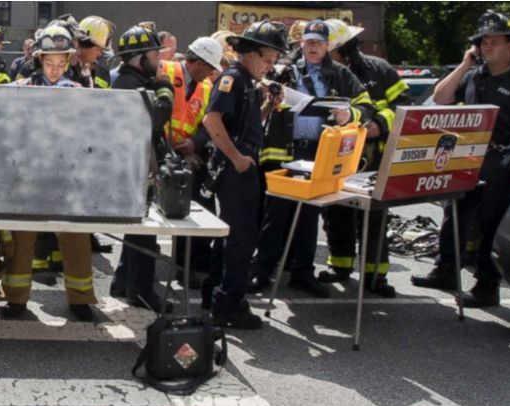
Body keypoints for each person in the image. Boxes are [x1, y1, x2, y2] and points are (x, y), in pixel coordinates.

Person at [411, 10, 510, 307]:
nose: (487, 46)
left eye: (494, 41)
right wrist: (466, 62)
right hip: (466, 159)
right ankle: (446, 269)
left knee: (490, 225)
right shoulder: (473, 75)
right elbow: (440, 98)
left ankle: (486, 286)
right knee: (454, 216)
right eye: (483, 42)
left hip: (503, 161)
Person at [249, 19, 375, 298]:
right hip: (284, 151)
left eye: (319, 42)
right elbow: (259, 87)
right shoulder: (286, 69)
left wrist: (350, 115)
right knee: (275, 213)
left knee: (309, 215)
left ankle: (302, 273)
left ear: (328, 46)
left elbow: (366, 106)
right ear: (301, 44)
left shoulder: (341, 74)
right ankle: (262, 270)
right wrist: (270, 90)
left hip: (320, 152)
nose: (313, 47)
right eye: (309, 42)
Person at [0, 26, 97, 322]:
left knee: (75, 236)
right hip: (28, 174)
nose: (54, 70)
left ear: (68, 63)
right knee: (21, 239)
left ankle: (80, 300)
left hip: (67, 176)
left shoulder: (78, 93)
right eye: (49, 63)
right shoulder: (21, 89)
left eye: (60, 64)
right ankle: (16, 299)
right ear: (39, 60)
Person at [311, 19, 412, 298]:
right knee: (335, 211)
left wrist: (380, 123)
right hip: (337, 154)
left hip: (373, 155)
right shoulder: (323, 72)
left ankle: (375, 275)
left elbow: (404, 104)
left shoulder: (378, 70)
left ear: (344, 49)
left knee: (375, 216)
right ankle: (340, 265)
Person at [202, 21, 288, 329]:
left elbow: (243, 123)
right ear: (249, 52)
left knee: (235, 235)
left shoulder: (248, 82)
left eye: (274, 60)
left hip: (243, 168)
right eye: (267, 58)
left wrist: (268, 106)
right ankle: (228, 303)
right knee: (242, 237)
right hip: (235, 171)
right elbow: (212, 121)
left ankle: (219, 294)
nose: (271, 65)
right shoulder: (233, 79)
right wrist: (237, 158)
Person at [108, 24, 175, 312]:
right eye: (154, 54)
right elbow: (156, 118)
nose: (158, 60)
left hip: (133, 165)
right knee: (145, 231)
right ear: (139, 57)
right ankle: (142, 291)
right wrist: (165, 88)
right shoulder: (131, 85)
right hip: (135, 168)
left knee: (137, 229)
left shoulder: (130, 80)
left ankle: (123, 280)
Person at [160, 37, 222, 289]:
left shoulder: (206, 86)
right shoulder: (165, 71)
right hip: (160, 152)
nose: (211, 72)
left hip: (188, 158)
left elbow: (209, 123)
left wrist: (194, 143)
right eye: (208, 67)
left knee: (192, 212)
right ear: (195, 61)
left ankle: (191, 266)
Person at [77, 15, 115, 89]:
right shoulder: (68, 71)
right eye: (98, 49)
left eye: (102, 50)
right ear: (84, 45)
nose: (100, 54)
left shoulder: (103, 73)